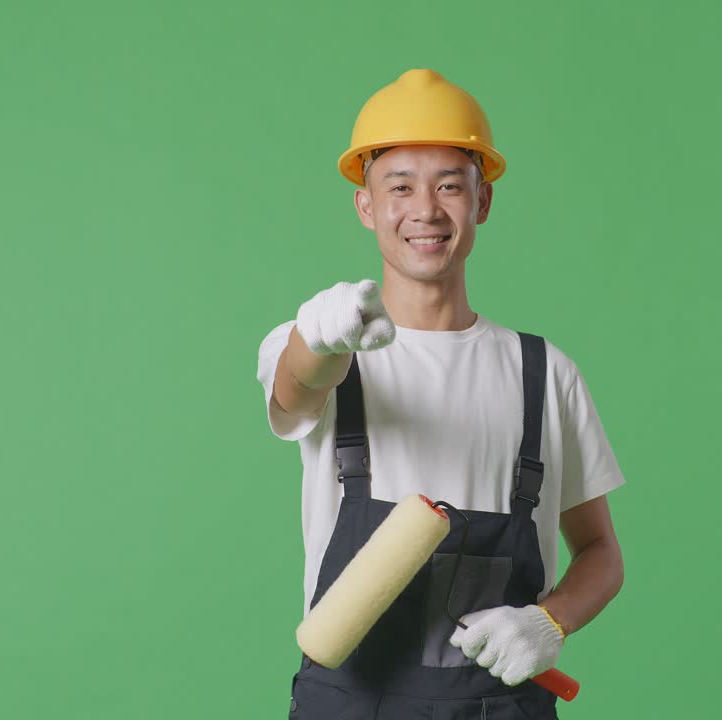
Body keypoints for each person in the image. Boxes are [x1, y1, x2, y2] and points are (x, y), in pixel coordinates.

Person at [256, 68, 626, 719]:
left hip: (496, 708)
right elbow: (294, 389)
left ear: (482, 202)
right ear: (366, 205)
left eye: (450, 186)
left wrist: (549, 622)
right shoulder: (323, 344)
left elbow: (601, 553)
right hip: (349, 705)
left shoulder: (545, 373)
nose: (425, 210)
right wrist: (320, 338)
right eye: (399, 187)